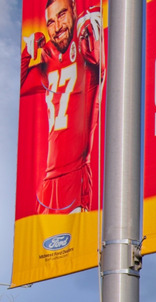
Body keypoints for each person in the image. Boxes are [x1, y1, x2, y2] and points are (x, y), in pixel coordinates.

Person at [20, 0, 103, 214]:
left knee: (77, 245)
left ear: (75, 9)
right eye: (51, 22)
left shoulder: (86, 41)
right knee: (42, 246)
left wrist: (94, 27)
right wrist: (27, 54)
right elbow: (19, 85)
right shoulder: (48, 57)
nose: (57, 27)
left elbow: (98, 56)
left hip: (75, 176)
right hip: (48, 181)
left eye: (62, 14)